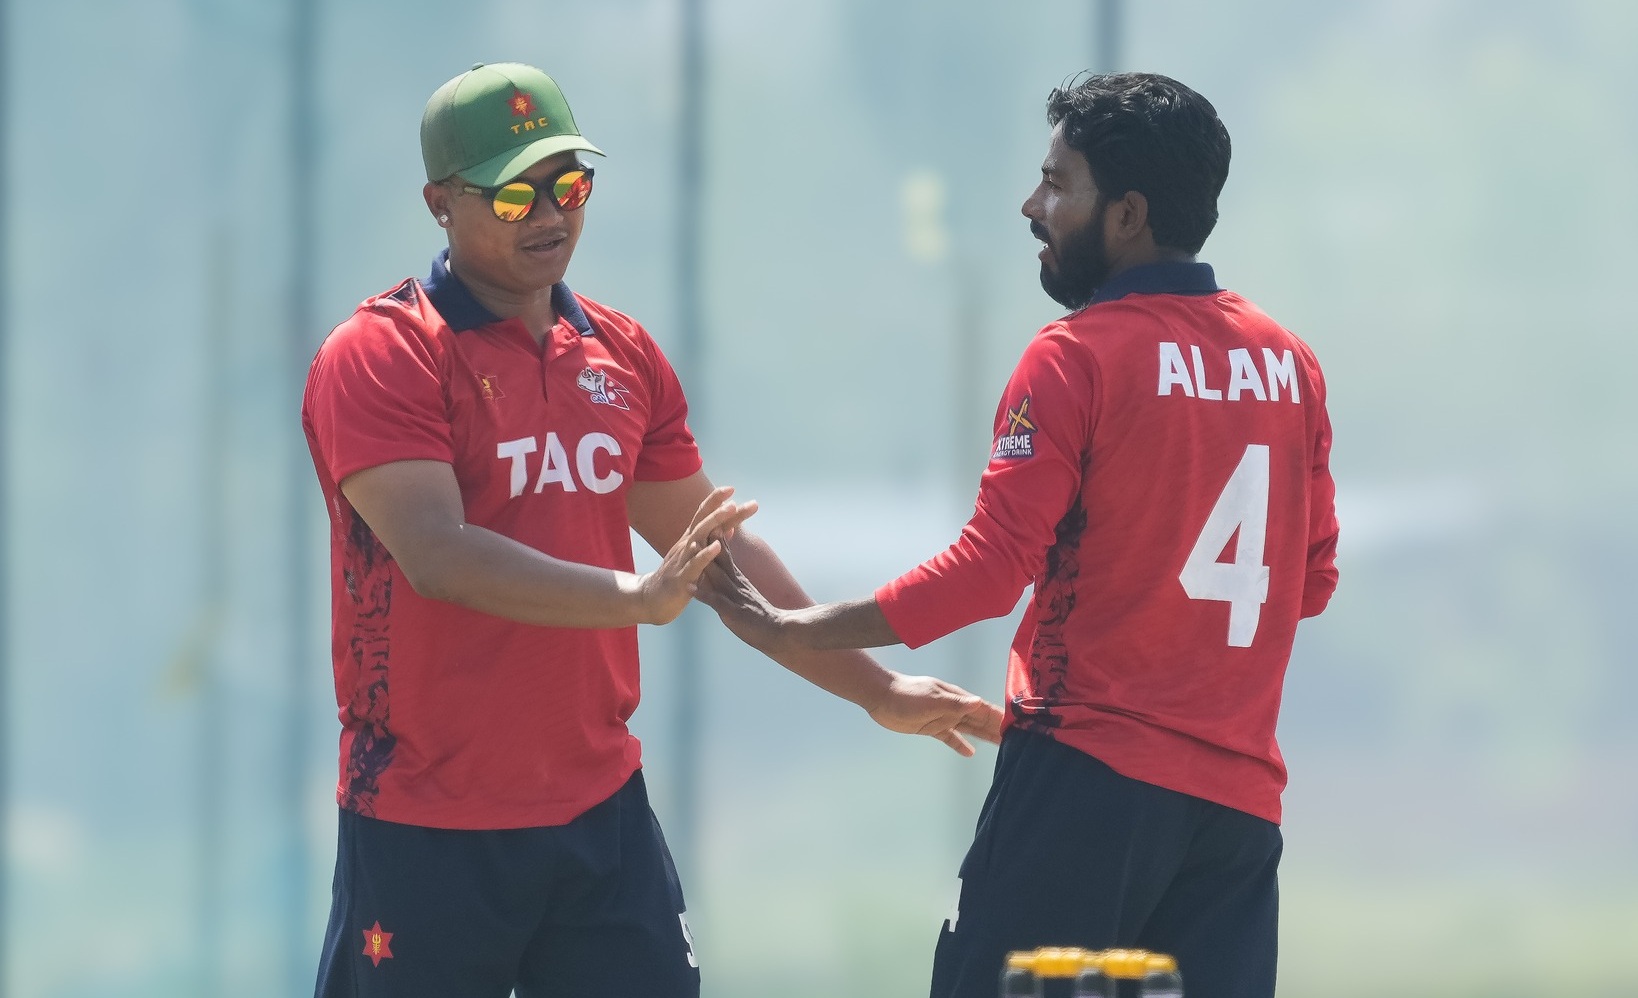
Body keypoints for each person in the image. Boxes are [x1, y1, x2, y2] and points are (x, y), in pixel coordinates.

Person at [301, 62, 1002, 998]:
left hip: (600, 816)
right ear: (440, 204)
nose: (549, 214)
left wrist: (874, 689)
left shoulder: (620, 354)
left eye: (569, 184)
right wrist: (636, 595)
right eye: (512, 195)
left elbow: (719, 550)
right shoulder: (383, 352)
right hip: (426, 823)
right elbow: (437, 554)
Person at [701, 72, 1339, 998]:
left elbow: (989, 571)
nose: (1032, 206)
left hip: (1081, 789)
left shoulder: (1075, 356)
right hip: (1236, 817)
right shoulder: (1290, 363)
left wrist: (794, 630)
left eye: (1056, 183)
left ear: (1126, 215)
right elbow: (1308, 584)